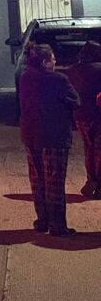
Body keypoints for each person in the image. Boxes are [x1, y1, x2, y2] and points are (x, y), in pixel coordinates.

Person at [18, 44, 80, 236]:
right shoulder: (59, 80)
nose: (55, 62)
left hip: (31, 134)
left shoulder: (25, 77)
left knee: (38, 180)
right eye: (53, 59)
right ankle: (58, 226)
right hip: (54, 136)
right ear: (45, 62)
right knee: (54, 181)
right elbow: (75, 101)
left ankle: (42, 221)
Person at [66, 41, 101, 198]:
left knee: (88, 148)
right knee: (99, 150)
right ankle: (99, 186)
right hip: (98, 114)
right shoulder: (99, 69)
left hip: (81, 115)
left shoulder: (73, 70)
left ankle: (91, 180)